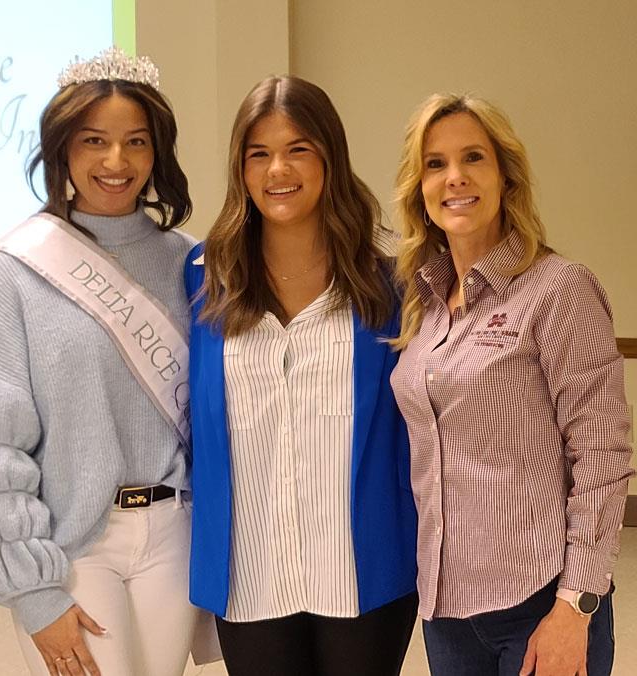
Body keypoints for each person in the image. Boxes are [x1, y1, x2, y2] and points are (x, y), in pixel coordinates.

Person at [0, 47, 202, 676]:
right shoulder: (8, 271)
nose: (116, 162)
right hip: (73, 543)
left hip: (175, 534)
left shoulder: (192, 263)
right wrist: (33, 590)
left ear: (156, 152)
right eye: (94, 140)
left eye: (136, 142)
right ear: (62, 146)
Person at [390, 94, 636, 676]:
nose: (455, 177)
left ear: (505, 176)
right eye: (435, 163)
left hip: (540, 602)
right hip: (447, 609)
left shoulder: (557, 289)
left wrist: (576, 606)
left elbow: (602, 455)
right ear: (419, 188)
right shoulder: (423, 303)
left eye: (473, 157)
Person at [184, 75, 418, 676]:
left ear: (330, 158)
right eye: (257, 153)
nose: (277, 169)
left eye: (297, 149)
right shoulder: (205, 277)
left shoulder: (389, 283)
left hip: (363, 569)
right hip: (250, 569)